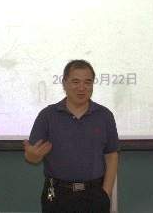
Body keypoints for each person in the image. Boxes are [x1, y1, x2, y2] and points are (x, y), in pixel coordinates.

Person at [24, 59, 119, 213]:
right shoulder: (47, 115)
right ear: (64, 83)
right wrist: (31, 156)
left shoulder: (104, 116)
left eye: (87, 82)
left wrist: (105, 194)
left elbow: (111, 155)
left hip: (95, 195)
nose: (81, 88)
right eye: (75, 82)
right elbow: (32, 156)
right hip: (57, 195)